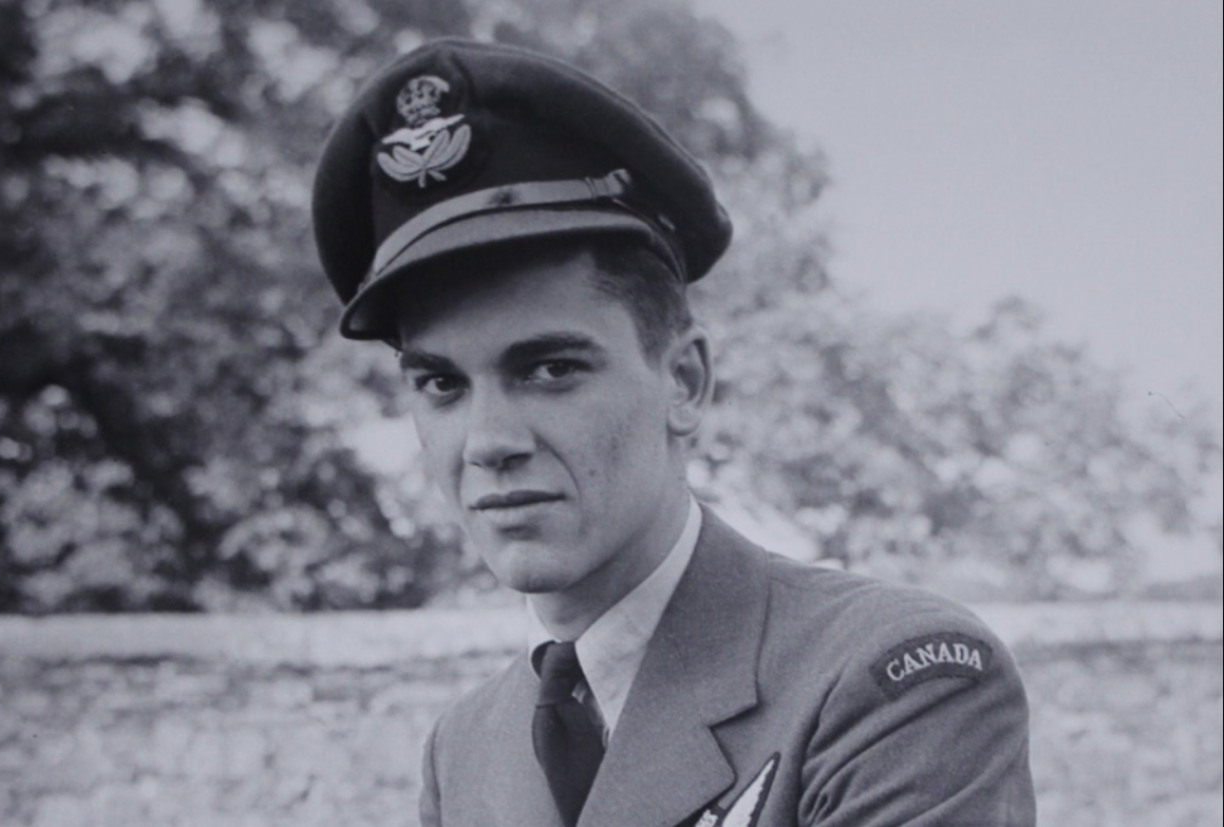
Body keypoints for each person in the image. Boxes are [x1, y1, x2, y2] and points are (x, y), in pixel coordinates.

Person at [313, 37, 1036, 827]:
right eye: (442, 383)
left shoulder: (891, 680)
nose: (488, 440)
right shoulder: (465, 749)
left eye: (550, 369)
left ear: (684, 382)